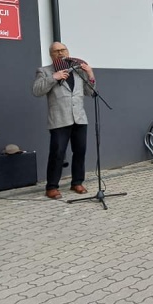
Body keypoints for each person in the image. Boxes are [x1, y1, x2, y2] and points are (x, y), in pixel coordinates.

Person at [32, 42, 95, 199]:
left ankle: (77, 182)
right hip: (59, 119)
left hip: (79, 118)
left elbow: (90, 92)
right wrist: (54, 77)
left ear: (68, 51)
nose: (60, 53)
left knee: (80, 152)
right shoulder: (44, 71)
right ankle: (52, 187)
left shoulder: (78, 70)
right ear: (51, 54)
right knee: (57, 153)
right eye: (56, 51)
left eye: (63, 50)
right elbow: (37, 91)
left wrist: (90, 74)